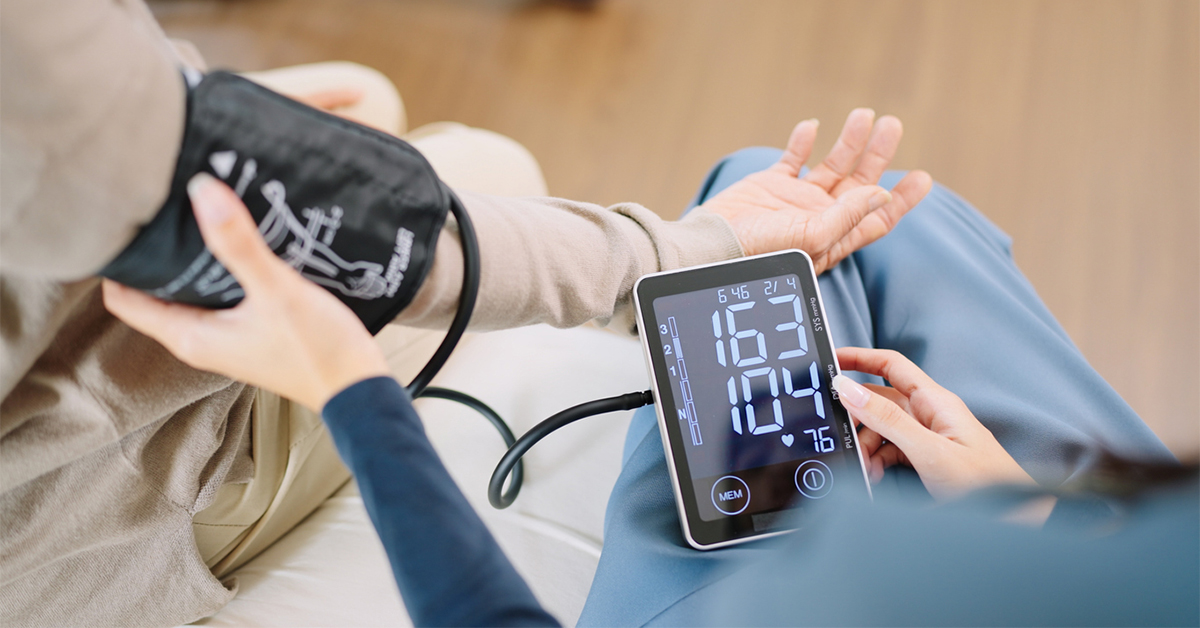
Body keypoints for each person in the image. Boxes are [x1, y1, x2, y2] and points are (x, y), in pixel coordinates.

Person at [101, 119, 1197, 626]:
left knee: (752, 255)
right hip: (1096, 555)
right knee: (798, 204)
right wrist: (1036, 522)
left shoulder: (870, 564)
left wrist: (352, 387)